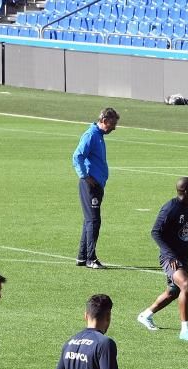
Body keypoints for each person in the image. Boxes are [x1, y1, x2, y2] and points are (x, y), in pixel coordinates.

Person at [137, 177, 188, 342]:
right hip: (170, 258)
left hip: (183, 256)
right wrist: (170, 255)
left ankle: (145, 315)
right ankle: (185, 330)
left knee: (174, 291)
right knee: (185, 284)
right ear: (186, 191)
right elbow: (155, 232)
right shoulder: (170, 208)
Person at [72, 107, 119, 269]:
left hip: (96, 184)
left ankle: (82, 257)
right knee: (94, 220)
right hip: (90, 185)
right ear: (104, 121)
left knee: (89, 221)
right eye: (112, 124)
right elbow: (77, 156)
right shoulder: (91, 135)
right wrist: (85, 175)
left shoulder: (98, 135)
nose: (114, 128)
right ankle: (91, 258)